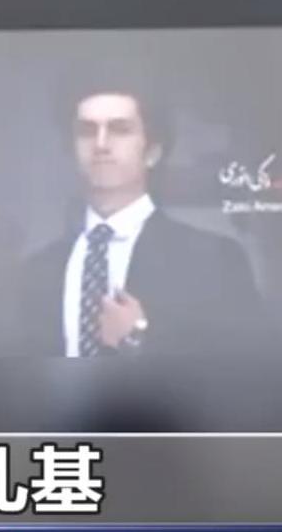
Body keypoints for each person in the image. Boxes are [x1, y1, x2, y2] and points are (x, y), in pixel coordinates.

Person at [16, 83, 262, 357]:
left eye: (120, 129)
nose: (100, 144)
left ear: (152, 152)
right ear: (72, 151)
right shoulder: (36, 272)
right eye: (86, 131)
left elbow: (251, 368)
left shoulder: (215, 259)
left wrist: (142, 338)